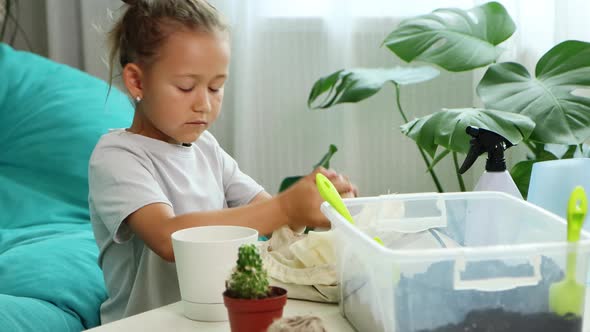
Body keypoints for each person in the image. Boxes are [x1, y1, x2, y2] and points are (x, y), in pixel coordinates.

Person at [88, 0, 357, 324]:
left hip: (214, 320)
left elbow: (271, 223)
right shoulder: (117, 158)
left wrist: (309, 210)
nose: (204, 104)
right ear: (138, 82)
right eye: (186, 87)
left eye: (216, 87)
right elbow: (168, 237)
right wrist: (286, 207)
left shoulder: (207, 149)